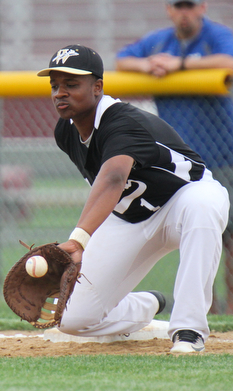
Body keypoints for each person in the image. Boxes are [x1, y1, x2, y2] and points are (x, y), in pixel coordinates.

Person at [37, 44, 229, 353]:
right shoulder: (66, 131)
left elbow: (113, 179)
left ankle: (189, 330)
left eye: (71, 84)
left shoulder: (122, 121)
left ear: (97, 87)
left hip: (181, 202)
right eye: (55, 85)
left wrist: (78, 240)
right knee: (72, 320)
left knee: (203, 207)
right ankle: (145, 307)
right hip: (130, 217)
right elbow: (106, 188)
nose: (60, 92)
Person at [115, 0, 233, 313]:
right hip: (181, 160)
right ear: (170, 10)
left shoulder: (215, 36)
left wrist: (177, 66)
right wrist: (149, 65)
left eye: (190, 6)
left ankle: (231, 308)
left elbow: (228, 59)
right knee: (192, 235)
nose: (185, 12)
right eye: (179, 7)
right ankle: (206, 307)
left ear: (202, 8)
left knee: (229, 238)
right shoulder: (159, 41)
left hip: (223, 155)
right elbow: (123, 60)